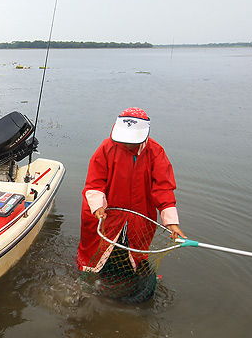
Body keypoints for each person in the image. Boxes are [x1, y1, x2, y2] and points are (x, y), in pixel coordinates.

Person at [76, 107, 185, 273]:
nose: (127, 144)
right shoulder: (107, 148)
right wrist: (98, 206)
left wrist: (171, 222)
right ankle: (89, 269)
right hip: (108, 209)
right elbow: (95, 182)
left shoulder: (155, 152)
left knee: (138, 244)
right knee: (94, 246)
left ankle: (135, 266)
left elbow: (163, 187)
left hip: (140, 210)